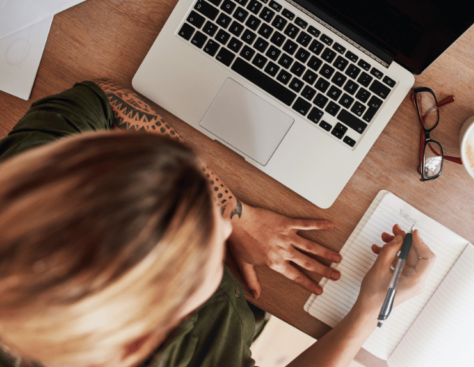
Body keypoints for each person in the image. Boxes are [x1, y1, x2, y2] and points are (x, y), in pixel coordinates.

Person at [0, 81, 437, 367]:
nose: (227, 229)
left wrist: (235, 212)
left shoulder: (25, 189)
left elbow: (104, 98)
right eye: (212, 243)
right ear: (146, 340)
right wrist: (370, 311)